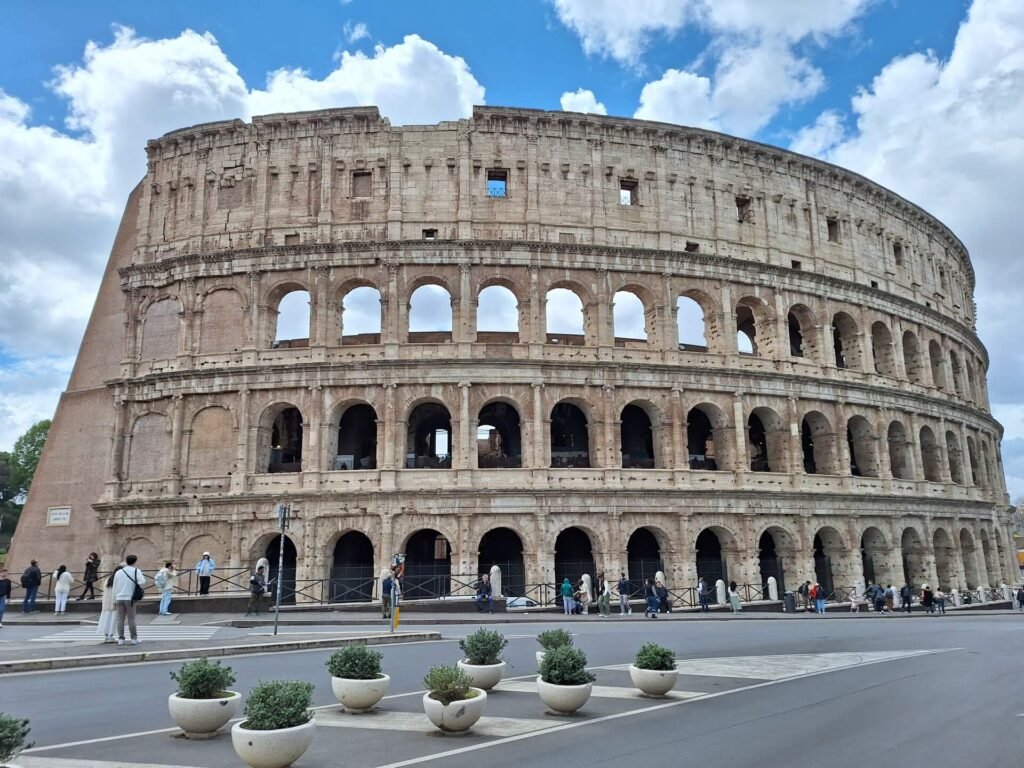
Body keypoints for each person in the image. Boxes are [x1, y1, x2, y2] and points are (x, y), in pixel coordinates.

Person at [112, 554, 146, 646]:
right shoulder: (136, 571)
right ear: (135, 562)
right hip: (130, 598)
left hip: (119, 598)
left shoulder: (118, 572)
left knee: (120, 619)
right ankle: (133, 638)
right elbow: (142, 582)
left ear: (126, 561)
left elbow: (114, 586)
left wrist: (114, 599)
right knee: (131, 618)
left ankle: (121, 639)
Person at [96, 566, 121, 643]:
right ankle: (110, 635)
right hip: (114, 603)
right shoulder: (117, 581)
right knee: (113, 620)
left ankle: (106, 635)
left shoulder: (107, 580)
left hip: (106, 603)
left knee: (106, 619)